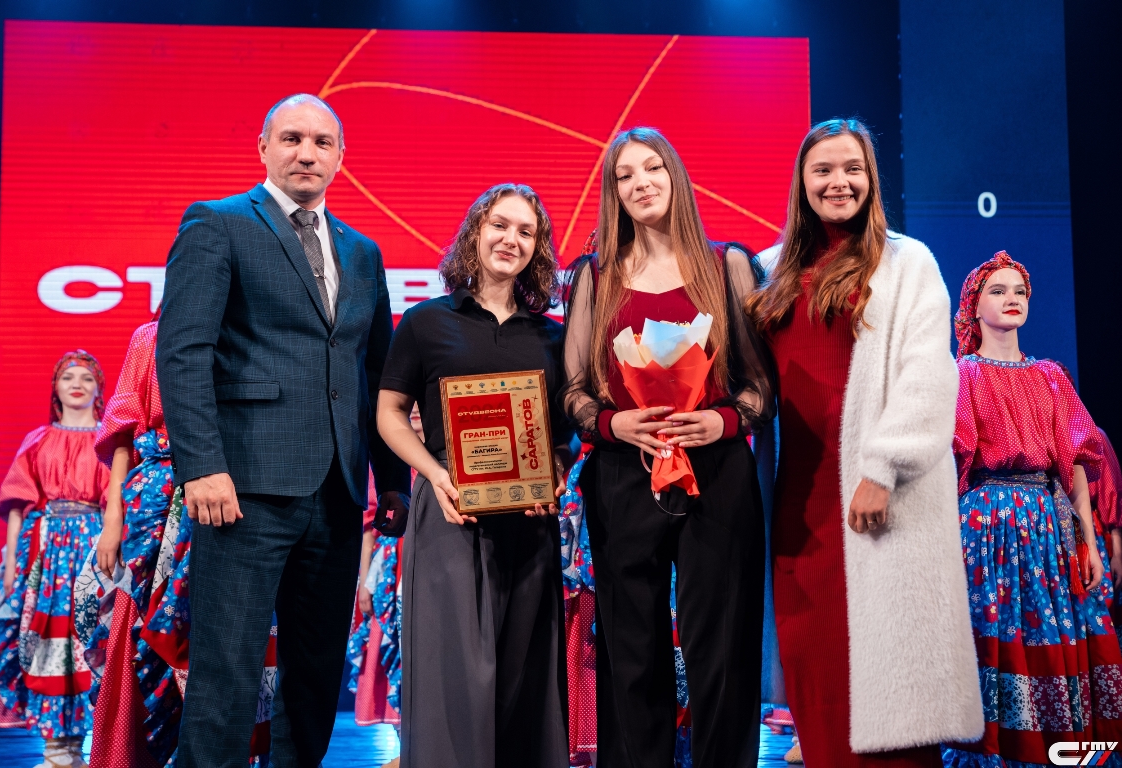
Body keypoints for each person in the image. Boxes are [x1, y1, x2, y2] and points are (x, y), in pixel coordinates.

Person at [156, 92, 411, 767]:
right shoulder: (218, 222)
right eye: (293, 138)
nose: (307, 153)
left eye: (322, 143)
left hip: (337, 492)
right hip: (241, 487)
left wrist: (391, 482)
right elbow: (183, 353)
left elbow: (376, 372)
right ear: (264, 147)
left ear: (340, 158)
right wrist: (201, 466)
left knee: (316, 674)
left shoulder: (363, 251)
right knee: (226, 671)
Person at [749, 118, 982, 766]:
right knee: (812, 663)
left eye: (852, 168)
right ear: (801, 181)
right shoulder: (767, 270)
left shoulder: (907, 263)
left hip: (880, 496)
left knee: (891, 680)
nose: (838, 182)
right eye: (822, 169)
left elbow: (927, 374)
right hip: (798, 501)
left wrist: (883, 468)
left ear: (871, 178)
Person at [563, 126, 775, 767]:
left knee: (723, 646)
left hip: (718, 472)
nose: (640, 183)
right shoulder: (595, 276)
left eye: (652, 167)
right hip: (623, 476)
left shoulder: (727, 265)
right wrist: (612, 425)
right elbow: (574, 391)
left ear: (675, 175)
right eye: (624, 175)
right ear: (613, 193)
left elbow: (761, 387)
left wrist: (724, 422)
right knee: (631, 649)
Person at [376, 183, 571, 768]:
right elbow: (389, 413)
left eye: (526, 232)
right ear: (475, 232)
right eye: (499, 225)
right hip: (449, 513)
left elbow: (563, 432)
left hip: (529, 522)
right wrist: (433, 474)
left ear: (538, 249)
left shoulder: (553, 336)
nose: (511, 239)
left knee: (524, 677)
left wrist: (557, 470)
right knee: (451, 676)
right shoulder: (425, 322)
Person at [945, 252, 1122, 766]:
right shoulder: (963, 375)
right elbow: (950, 462)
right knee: (997, 635)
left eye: (1019, 291)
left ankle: (1054, 750)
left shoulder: (1050, 376)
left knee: (1055, 631)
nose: (1012, 299)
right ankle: (996, 751)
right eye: (998, 291)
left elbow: (1076, 465)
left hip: (1047, 524)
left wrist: (1088, 541)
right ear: (974, 307)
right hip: (987, 526)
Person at [78, 319, 276, 767]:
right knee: (141, 627)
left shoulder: (250, 329)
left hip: (234, 488)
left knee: (232, 624)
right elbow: (124, 430)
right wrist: (112, 518)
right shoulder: (149, 336)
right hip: (155, 497)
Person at [0, 351, 110, 768]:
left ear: (99, 389)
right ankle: (57, 752)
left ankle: (87, 750)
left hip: (93, 549)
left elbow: (117, 505)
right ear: (55, 389)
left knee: (87, 643)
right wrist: (10, 567)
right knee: (48, 645)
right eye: (68, 377)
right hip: (47, 553)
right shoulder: (38, 439)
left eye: (87, 378)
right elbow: (18, 506)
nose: (77, 384)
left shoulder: (109, 441)